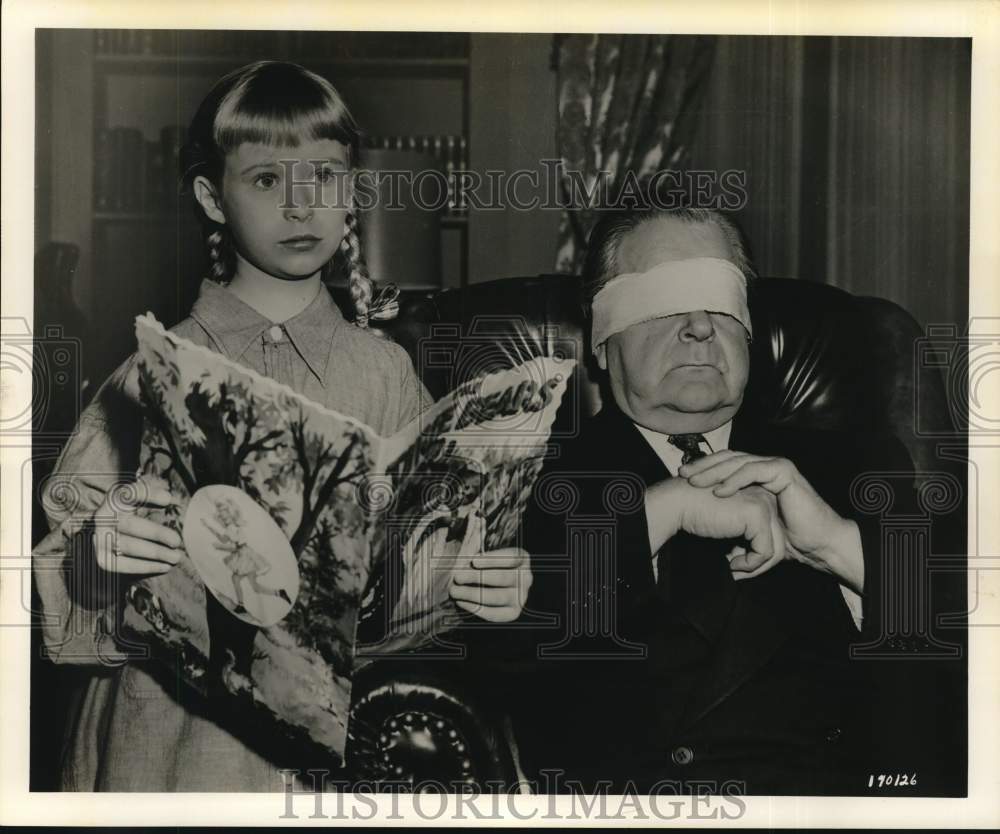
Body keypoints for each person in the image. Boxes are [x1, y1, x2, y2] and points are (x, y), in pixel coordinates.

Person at [32, 60, 529, 791]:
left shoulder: (383, 374)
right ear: (211, 197)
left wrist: (484, 585)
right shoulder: (148, 375)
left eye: (325, 176)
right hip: (172, 756)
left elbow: (423, 567)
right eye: (267, 179)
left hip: (335, 757)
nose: (301, 205)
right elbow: (58, 598)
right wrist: (98, 557)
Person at [512, 206, 927, 795]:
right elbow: (509, 650)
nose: (700, 327)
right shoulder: (529, 476)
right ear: (602, 344)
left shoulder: (861, 466)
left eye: (721, 301)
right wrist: (665, 510)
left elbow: (962, 650)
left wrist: (838, 544)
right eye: (661, 301)